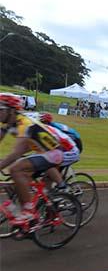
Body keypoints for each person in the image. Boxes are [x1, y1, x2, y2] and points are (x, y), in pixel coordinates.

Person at [0, 94, 78, 225]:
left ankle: (30, 211)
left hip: (57, 152)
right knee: (20, 175)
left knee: (16, 169)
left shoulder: (25, 124)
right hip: (43, 151)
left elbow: (17, 152)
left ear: (11, 110)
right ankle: (38, 204)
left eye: (0, 109)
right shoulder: (8, 125)